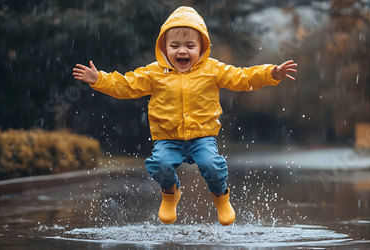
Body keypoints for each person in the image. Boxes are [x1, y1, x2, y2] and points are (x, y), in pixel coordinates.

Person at [73, 6, 297, 226]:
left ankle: (221, 198)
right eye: (174, 46)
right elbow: (126, 85)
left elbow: (242, 77)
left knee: (212, 165)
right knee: (158, 164)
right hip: (168, 138)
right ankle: (170, 193)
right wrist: (99, 79)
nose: (182, 51)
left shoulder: (212, 69)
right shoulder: (154, 73)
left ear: (202, 48)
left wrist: (270, 74)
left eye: (190, 45)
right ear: (163, 47)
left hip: (202, 137)